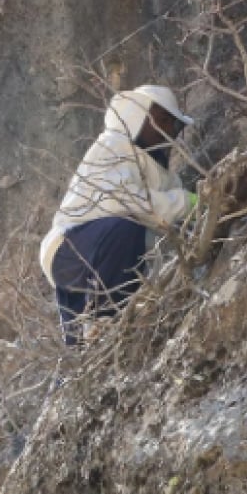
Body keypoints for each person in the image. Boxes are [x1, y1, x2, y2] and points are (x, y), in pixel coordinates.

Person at [39, 85, 198, 345]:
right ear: (140, 115)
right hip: (72, 244)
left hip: (96, 254)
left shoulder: (162, 173)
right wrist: (190, 202)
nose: (169, 130)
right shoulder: (113, 146)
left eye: (174, 124)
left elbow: (173, 222)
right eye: (164, 120)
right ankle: (105, 323)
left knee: (80, 348)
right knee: (125, 229)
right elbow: (126, 202)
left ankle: (89, 355)